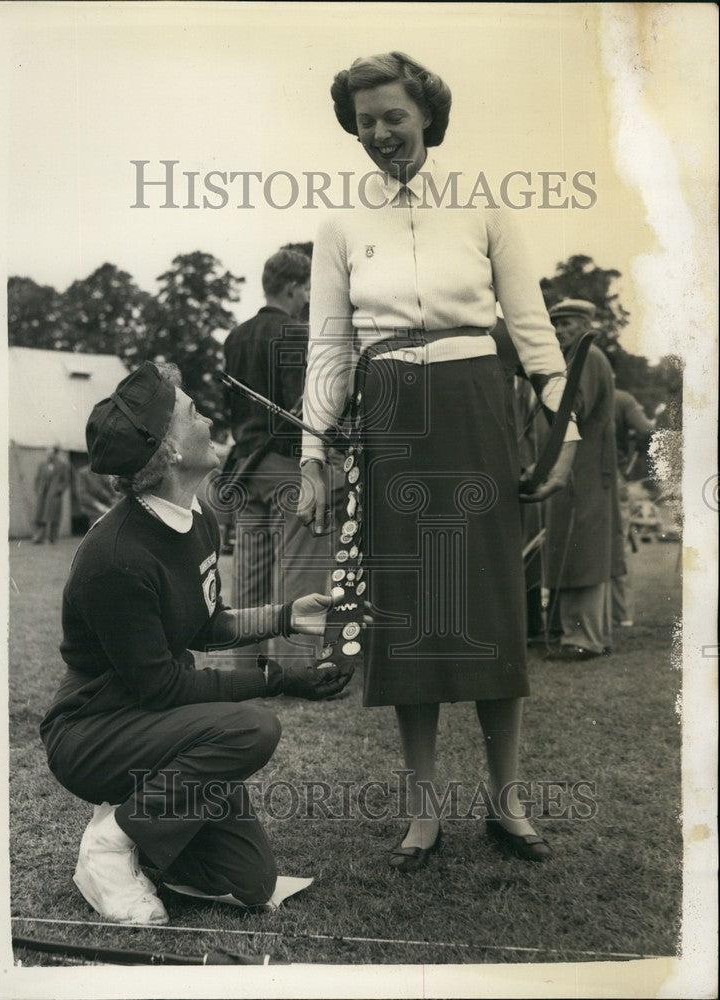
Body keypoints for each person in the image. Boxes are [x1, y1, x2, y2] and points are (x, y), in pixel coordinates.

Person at [298, 52, 580, 870]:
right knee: (411, 616)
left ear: (426, 113)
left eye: (393, 114)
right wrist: (314, 453)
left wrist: (564, 434)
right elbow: (329, 345)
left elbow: (531, 329)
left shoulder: (485, 204)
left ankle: (506, 802)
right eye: (364, 119)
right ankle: (422, 813)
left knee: (489, 606)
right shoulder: (340, 225)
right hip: (388, 416)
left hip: (474, 406)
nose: (379, 132)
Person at [39, 360, 353, 926]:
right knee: (250, 728)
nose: (207, 417)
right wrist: (281, 680)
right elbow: (162, 686)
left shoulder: (197, 515)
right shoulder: (117, 558)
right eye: (192, 411)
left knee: (252, 884)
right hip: (93, 733)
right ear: (170, 452)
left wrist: (285, 618)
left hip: (156, 728)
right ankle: (110, 844)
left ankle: (145, 836)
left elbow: (208, 625)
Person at [224, 250, 342, 669]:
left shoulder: (235, 336)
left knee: (250, 573)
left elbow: (231, 408)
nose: (309, 296)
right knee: (301, 567)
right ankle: (299, 668)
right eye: (307, 288)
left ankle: (247, 666)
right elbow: (309, 410)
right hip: (289, 465)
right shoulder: (297, 333)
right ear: (292, 288)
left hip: (246, 466)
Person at [543, 300, 620, 661]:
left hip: (583, 468)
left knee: (582, 549)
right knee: (577, 548)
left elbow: (573, 408)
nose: (560, 331)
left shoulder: (586, 356)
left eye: (567, 324)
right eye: (556, 325)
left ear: (586, 323)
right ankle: (580, 634)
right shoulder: (581, 357)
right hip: (583, 467)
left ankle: (583, 638)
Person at [611, 383, 657, 626]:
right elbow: (648, 430)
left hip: (578, 475)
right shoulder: (622, 398)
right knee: (619, 544)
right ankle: (622, 615)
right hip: (615, 476)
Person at [32, 446, 70, 543]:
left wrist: (59, 490)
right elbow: (37, 478)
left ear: (56, 454)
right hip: (43, 495)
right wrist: (38, 489)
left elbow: (65, 480)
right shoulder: (42, 465)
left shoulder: (62, 465)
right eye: (47, 453)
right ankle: (39, 537)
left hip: (54, 495)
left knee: (54, 516)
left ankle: (53, 538)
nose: (49, 455)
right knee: (40, 515)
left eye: (51, 453)